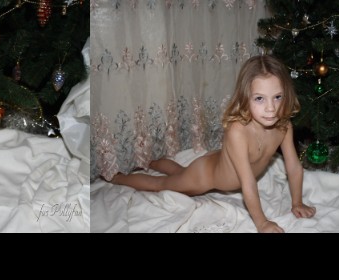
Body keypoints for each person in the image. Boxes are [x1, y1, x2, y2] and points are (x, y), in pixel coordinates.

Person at [109, 54, 315, 233]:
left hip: (214, 163)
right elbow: (248, 182)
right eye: (260, 99)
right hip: (205, 176)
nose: (271, 108)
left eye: (277, 97)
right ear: (245, 98)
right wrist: (262, 223)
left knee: (180, 172)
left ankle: (155, 162)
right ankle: (117, 177)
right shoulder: (238, 131)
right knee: (162, 185)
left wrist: (297, 202)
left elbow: (294, 167)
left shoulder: (284, 126)